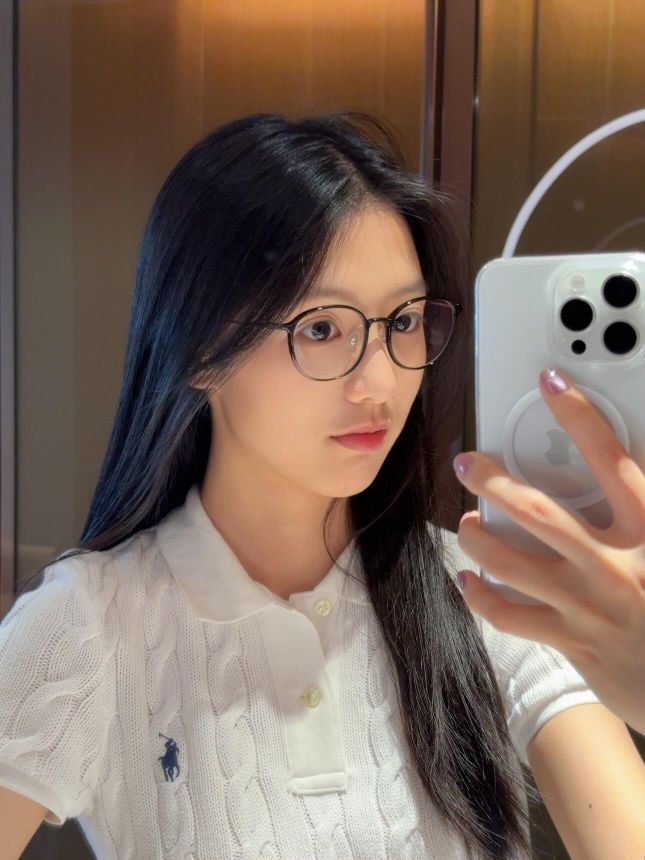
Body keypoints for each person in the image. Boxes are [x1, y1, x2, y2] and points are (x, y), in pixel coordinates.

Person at [0, 111, 642, 860]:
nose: (381, 383)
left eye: (403, 321)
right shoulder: (91, 626)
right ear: (200, 348)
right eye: (320, 328)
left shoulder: (484, 589)